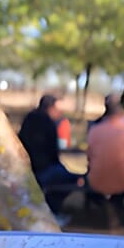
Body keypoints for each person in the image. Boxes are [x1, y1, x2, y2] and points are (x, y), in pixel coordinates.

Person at [18, 94, 80, 222]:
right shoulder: (48, 123)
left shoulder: (29, 119)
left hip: (26, 168)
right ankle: (52, 211)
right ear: (50, 108)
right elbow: (53, 153)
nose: (60, 113)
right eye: (57, 109)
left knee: (63, 174)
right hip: (41, 169)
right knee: (73, 179)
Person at [86, 95, 124, 227]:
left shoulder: (94, 130)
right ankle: (115, 209)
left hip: (96, 180)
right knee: (123, 186)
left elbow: (89, 157)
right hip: (122, 181)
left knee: (93, 185)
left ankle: (108, 209)